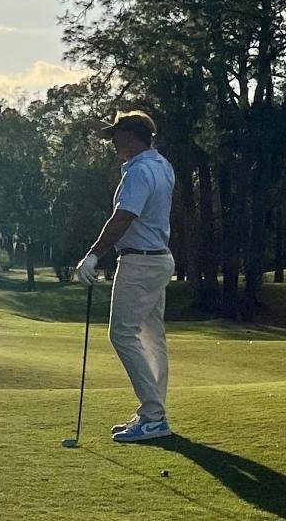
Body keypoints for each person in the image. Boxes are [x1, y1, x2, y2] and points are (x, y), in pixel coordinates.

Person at [75, 111, 174, 443]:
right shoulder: (161, 165)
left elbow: (123, 218)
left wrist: (92, 255)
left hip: (140, 263)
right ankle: (154, 413)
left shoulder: (138, 173)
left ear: (131, 136)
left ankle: (152, 415)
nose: (113, 141)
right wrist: (97, 126)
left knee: (121, 334)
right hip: (159, 259)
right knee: (151, 338)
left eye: (117, 135)